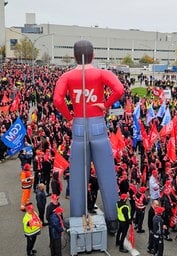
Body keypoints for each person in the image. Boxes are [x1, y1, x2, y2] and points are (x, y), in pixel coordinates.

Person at [53, 40, 124, 234]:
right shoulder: (102, 73)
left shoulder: (66, 76)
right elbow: (119, 90)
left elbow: (58, 99)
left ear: (75, 55)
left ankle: (77, 219)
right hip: (98, 125)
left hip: (78, 126)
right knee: (107, 175)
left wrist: (69, 117)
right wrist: (105, 104)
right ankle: (113, 220)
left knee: (77, 176)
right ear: (93, 55)